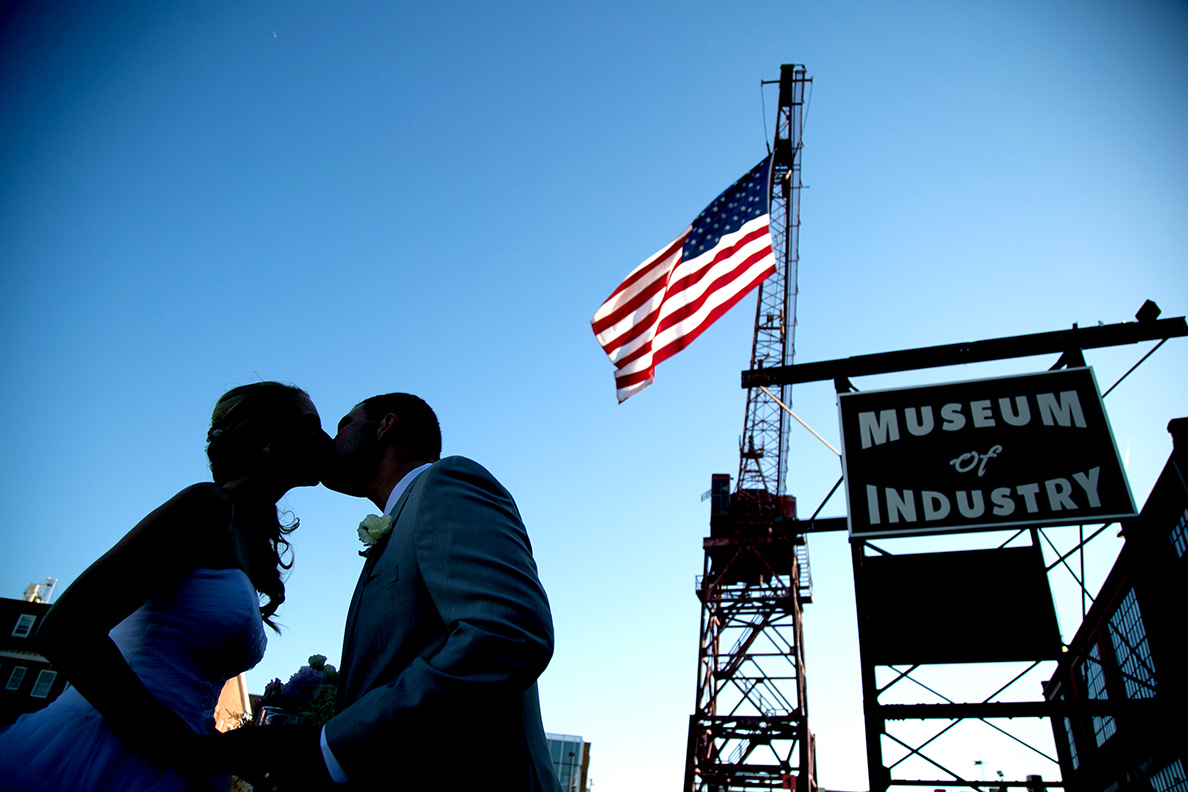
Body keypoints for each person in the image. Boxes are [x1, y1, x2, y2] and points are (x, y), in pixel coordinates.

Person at [0, 382, 331, 792]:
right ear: (265, 437)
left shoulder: (248, 541)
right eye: (310, 426)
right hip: (106, 753)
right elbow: (66, 629)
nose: (326, 439)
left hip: (178, 763)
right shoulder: (205, 507)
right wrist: (191, 751)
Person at [222, 392, 561, 791]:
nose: (330, 439)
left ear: (385, 425)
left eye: (344, 424)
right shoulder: (399, 524)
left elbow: (508, 634)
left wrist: (330, 746)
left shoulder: (445, 483)